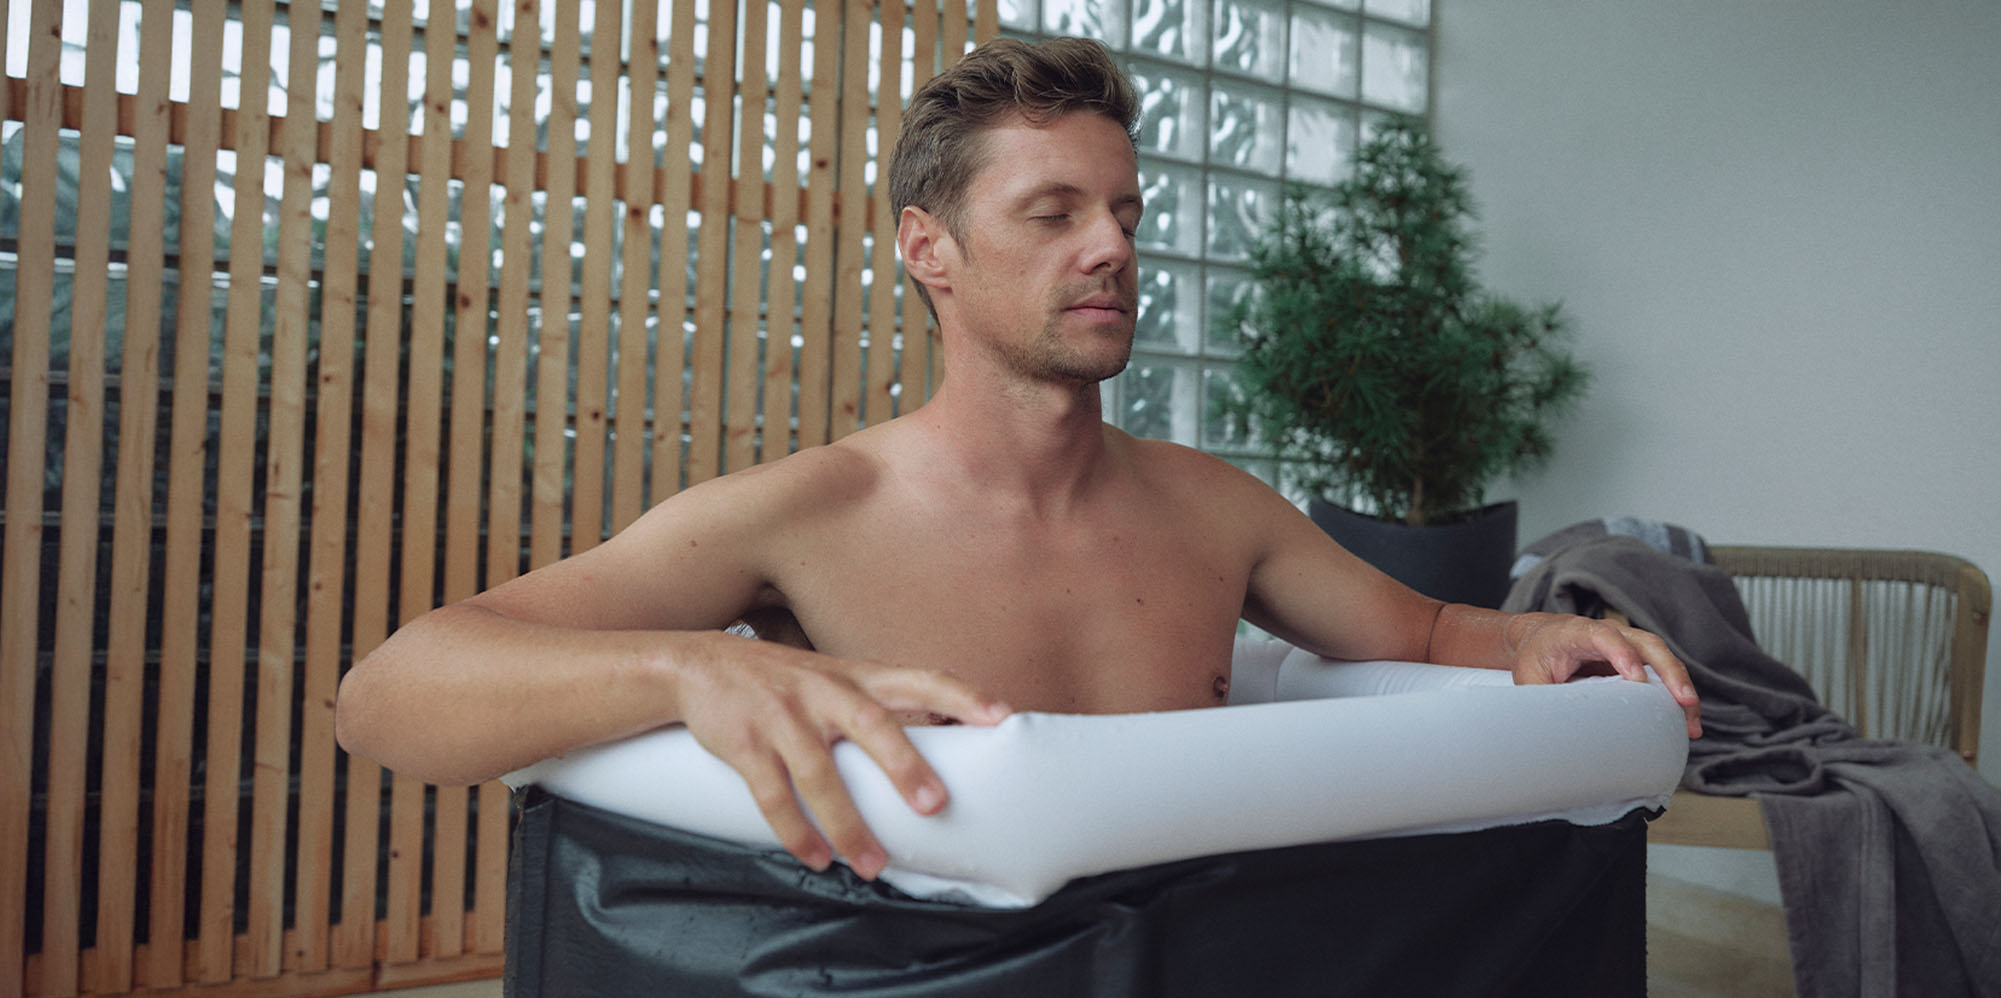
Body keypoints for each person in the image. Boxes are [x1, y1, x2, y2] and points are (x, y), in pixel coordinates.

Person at [335, 36, 1700, 886]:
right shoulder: (803, 516)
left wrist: (1541, 640)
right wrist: (695, 663)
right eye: (1051, 213)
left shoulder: (1215, 509)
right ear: (929, 249)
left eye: (1121, 212)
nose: (1110, 247)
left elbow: (1431, 628)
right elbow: (388, 695)